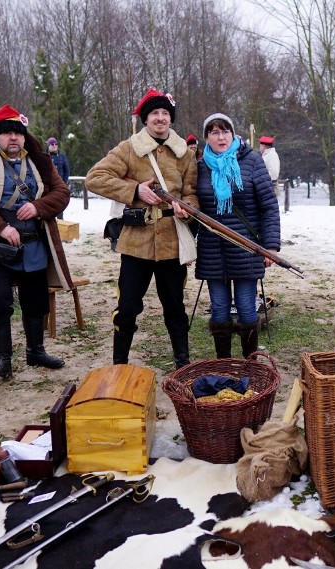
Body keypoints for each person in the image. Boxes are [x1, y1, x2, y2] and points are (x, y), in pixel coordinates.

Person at [0, 105, 73, 378]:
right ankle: (2, 359)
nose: (13, 138)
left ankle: (36, 351)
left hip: (34, 243)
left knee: (35, 299)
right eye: (7, 133)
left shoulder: (39, 161)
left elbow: (62, 192)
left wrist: (38, 207)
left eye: (18, 133)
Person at [85, 88, 197, 368]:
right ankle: (119, 365)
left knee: (175, 307)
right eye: (154, 113)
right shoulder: (129, 148)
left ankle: (182, 364)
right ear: (146, 119)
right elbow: (95, 178)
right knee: (127, 307)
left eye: (165, 113)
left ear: (170, 118)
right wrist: (135, 190)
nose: (160, 118)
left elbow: (191, 191)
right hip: (136, 242)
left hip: (172, 242)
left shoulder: (185, 153)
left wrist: (186, 207)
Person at [196, 114, 280, 358]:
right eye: (213, 132)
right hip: (212, 249)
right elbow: (193, 205)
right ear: (206, 138)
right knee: (219, 309)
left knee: (245, 307)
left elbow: (269, 206)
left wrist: (271, 246)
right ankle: (224, 363)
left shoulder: (252, 161)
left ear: (232, 134)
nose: (220, 137)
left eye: (224, 131)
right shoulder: (201, 166)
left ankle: (250, 363)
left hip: (246, 248)